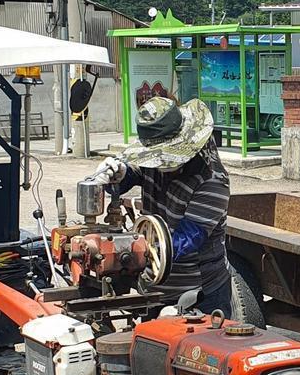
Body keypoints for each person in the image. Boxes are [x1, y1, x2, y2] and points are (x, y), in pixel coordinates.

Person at [88, 96, 234, 315]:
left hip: (199, 292)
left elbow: (184, 241)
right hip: (153, 287)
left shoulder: (212, 181)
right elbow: (133, 173)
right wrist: (118, 175)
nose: (160, 165)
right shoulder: (153, 163)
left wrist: (127, 251)